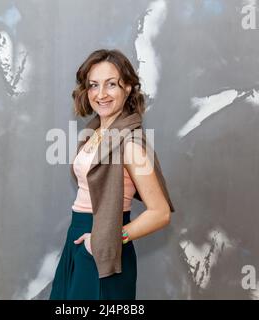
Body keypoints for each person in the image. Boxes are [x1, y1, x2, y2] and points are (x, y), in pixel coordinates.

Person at [49, 49, 175, 300]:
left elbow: (160, 213)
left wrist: (108, 238)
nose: (101, 94)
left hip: (103, 246)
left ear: (127, 88)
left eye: (111, 85)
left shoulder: (130, 144)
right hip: (78, 236)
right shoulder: (95, 132)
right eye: (94, 85)